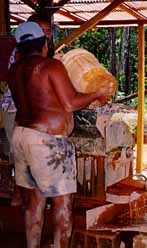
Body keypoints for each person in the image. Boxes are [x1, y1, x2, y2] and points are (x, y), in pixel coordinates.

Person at [8, 21, 112, 248]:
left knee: (34, 202)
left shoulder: (14, 70)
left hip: (22, 136)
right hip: (47, 143)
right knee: (62, 203)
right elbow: (70, 103)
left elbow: (41, 99)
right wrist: (97, 92)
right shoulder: (51, 66)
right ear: (44, 43)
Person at [0, 14, 54, 206]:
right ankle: (20, 196)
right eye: (43, 30)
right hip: (15, 110)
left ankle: (29, 197)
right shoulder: (23, 53)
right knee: (21, 157)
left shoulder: (40, 54)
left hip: (26, 111)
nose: (47, 34)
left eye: (49, 30)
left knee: (29, 157)